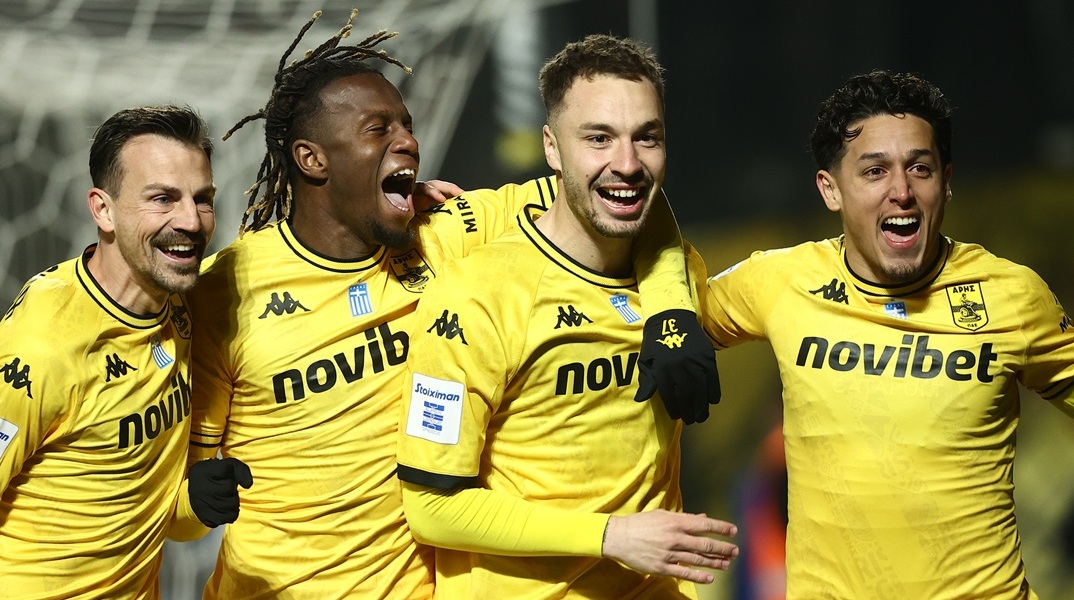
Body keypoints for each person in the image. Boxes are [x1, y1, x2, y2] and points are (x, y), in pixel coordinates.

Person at [183, 11, 716, 600]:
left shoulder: (450, 230)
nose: (408, 141)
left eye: (406, 126)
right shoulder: (224, 292)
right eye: (378, 129)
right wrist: (192, 501)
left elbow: (620, 192)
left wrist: (670, 312)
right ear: (313, 159)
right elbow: (181, 505)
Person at [702, 70, 1074, 599]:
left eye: (920, 168)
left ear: (947, 180)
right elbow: (647, 322)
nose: (901, 192)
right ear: (830, 189)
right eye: (875, 171)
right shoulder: (777, 281)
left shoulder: (1013, 295)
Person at [396, 34, 738, 599]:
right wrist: (609, 536)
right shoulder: (477, 296)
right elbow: (433, 508)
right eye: (598, 138)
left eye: (646, 138)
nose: (626, 164)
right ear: (552, 148)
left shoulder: (676, 278)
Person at [0, 105, 248, 600]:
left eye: (203, 199)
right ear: (103, 210)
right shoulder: (42, 347)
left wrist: (194, 503)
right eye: (162, 198)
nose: (191, 221)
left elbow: (158, 518)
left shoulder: (180, 306)